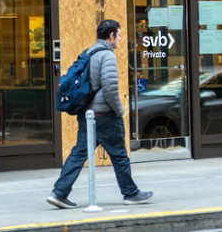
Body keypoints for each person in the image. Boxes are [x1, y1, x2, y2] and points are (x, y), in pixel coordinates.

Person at [47, 19, 154, 209]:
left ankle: (59, 192)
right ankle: (130, 193)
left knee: (79, 153)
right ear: (111, 36)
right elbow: (110, 88)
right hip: (105, 115)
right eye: (119, 35)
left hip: (87, 113)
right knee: (120, 155)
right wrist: (120, 111)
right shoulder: (107, 55)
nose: (120, 39)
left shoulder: (88, 52)